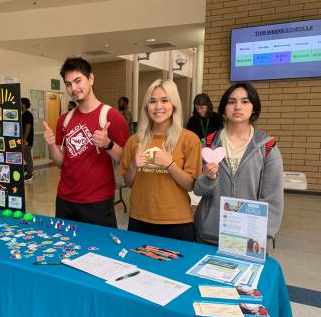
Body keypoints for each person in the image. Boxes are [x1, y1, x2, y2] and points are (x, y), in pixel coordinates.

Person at [43, 57, 130, 227]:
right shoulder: (64, 120)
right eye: (68, 84)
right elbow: (61, 162)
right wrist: (51, 144)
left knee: (100, 250)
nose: (73, 88)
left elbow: (124, 160)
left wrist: (108, 144)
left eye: (77, 81)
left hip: (98, 202)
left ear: (91, 79)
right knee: (65, 250)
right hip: (65, 200)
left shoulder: (112, 117)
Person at [194, 82, 284, 246]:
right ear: (223, 108)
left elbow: (273, 198)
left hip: (249, 238)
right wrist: (208, 178)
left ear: (254, 108)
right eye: (231, 101)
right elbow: (198, 189)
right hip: (209, 234)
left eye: (245, 101)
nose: (237, 106)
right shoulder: (207, 144)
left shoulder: (267, 147)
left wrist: (264, 236)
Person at [119, 79, 202, 242]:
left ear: (174, 105)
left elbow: (191, 185)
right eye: (152, 101)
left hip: (177, 221)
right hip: (139, 219)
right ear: (146, 106)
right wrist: (134, 166)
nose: (158, 106)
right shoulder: (134, 140)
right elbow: (128, 182)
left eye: (165, 100)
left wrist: (170, 165)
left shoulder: (189, 139)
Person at [21, 97, 34, 182]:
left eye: (20, 103)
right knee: (26, 157)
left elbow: (28, 128)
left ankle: (30, 175)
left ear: (24, 104)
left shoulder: (27, 115)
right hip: (24, 140)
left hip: (26, 141)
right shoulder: (23, 114)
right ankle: (29, 173)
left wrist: (24, 140)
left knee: (27, 158)